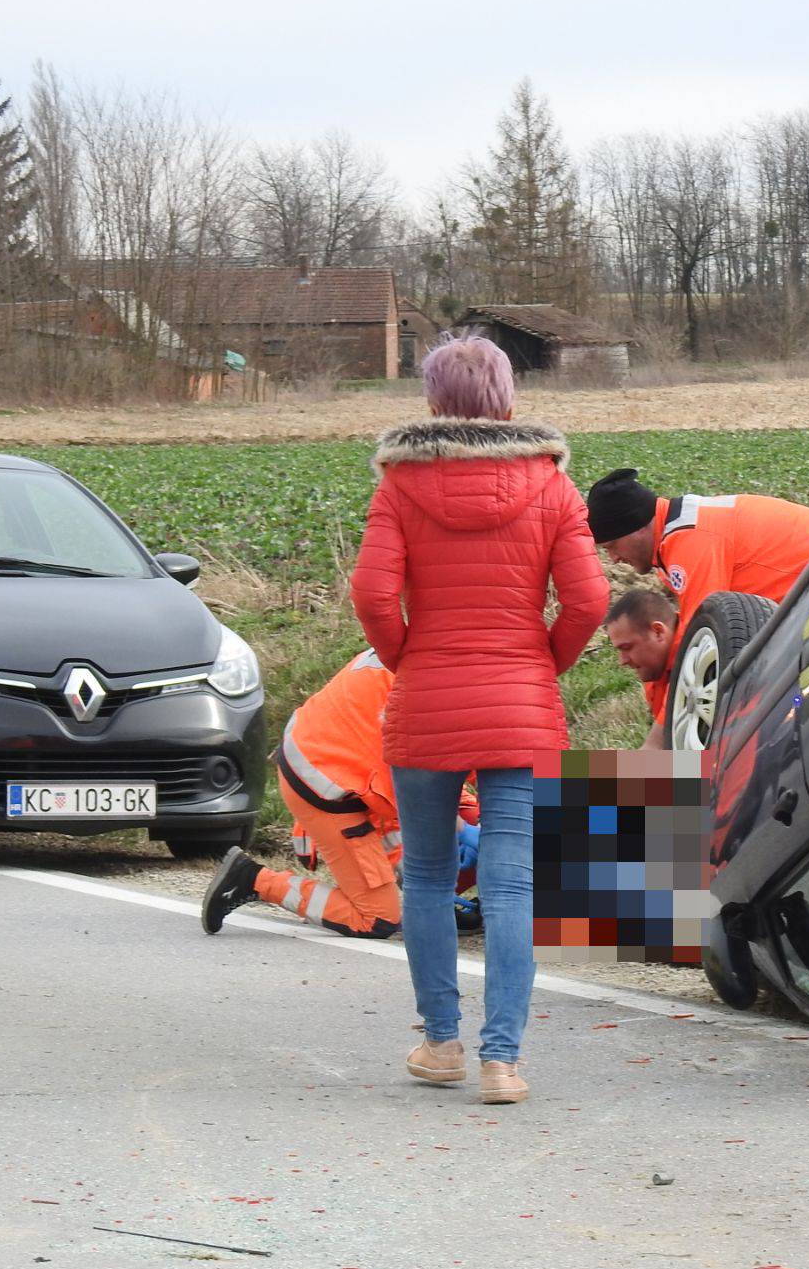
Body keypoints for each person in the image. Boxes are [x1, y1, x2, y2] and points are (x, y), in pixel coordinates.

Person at [350, 334, 608, 1105]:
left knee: (427, 875)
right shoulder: (554, 487)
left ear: (433, 404)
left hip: (428, 697)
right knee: (514, 884)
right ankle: (504, 1060)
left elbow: (370, 594)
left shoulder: (400, 485)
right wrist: (543, 664)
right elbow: (590, 601)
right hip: (521, 704)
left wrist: (408, 659)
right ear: (508, 402)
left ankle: (441, 1044)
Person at [199, 648, 480, 939]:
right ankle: (253, 880)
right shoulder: (437, 687)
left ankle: (431, 900)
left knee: (479, 823)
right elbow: (418, 796)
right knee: (377, 918)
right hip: (329, 790)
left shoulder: (433, 652)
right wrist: (461, 831)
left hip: (365, 776)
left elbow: (478, 761)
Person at [585, 469, 809, 735]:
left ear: (635, 527)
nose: (612, 559)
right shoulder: (675, 534)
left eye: (612, 546)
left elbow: (703, 642)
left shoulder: (688, 540)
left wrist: (662, 734)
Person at [601, 588, 679, 749]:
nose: (622, 661)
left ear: (658, 632)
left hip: (718, 767)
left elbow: (654, 751)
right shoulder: (657, 668)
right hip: (704, 765)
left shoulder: (692, 667)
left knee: (554, 769)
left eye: (627, 647)